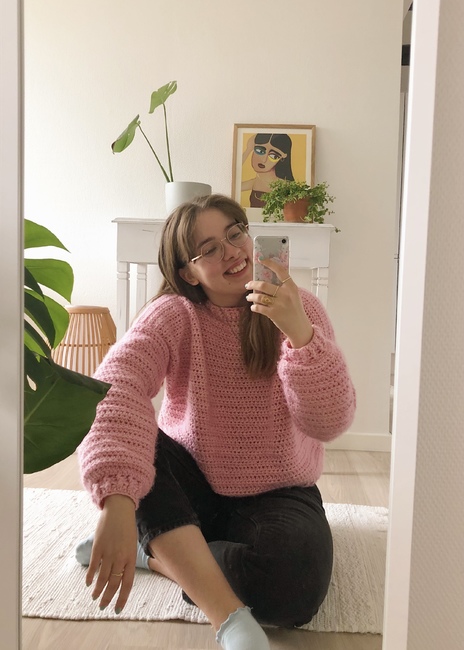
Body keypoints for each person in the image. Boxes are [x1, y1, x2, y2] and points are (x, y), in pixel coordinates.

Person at [76, 194, 356, 650]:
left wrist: (299, 335)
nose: (231, 251)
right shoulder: (174, 314)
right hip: (190, 483)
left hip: (279, 490)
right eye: (209, 248)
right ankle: (227, 617)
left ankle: (159, 553)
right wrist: (118, 501)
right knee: (141, 443)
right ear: (188, 272)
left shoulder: (301, 309)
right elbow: (115, 385)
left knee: (295, 589)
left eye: (234, 233)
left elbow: (330, 423)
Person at [241, 133, 294, 207]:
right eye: (259, 151)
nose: (264, 159)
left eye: (273, 156)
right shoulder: (255, 182)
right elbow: (233, 185)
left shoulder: (285, 185)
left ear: (282, 158)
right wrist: (248, 149)